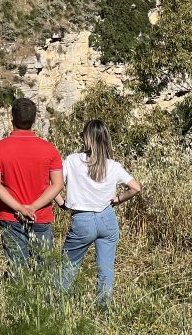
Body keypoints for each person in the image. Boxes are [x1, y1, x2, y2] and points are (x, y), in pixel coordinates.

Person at [56, 120, 142, 306]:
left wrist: (62, 203)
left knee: (68, 266)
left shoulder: (72, 160)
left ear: (85, 138)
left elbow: (53, 185)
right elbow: (135, 187)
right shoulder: (113, 165)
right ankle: (103, 308)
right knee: (105, 268)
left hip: (82, 219)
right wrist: (118, 199)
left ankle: (59, 305)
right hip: (107, 218)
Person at [0, 98, 63, 275]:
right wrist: (33, 207)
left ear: (11, 118)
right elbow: (58, 184)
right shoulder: (49, 149)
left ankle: (20, 302)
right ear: (34, 119)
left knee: (17, 269)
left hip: (11, 215)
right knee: (44, 269)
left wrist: (20, 208)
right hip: (40, 215)